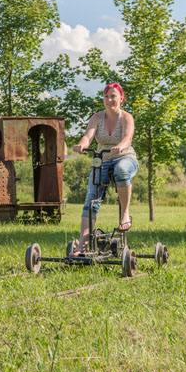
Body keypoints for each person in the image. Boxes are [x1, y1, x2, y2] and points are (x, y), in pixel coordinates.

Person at [69, 83, 138, 256]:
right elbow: (88, 136)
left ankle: (125, 213)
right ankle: (82, 244)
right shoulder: (97, 117)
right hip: (103, 159)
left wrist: (120, 147)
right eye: (106, 96)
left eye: (113, 96)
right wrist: (82, 145)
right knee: (91, 199)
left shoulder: (127, 117)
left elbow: (127, 138)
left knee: (121, 170)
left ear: (121, 99)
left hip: (125, 157)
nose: (109, 100)